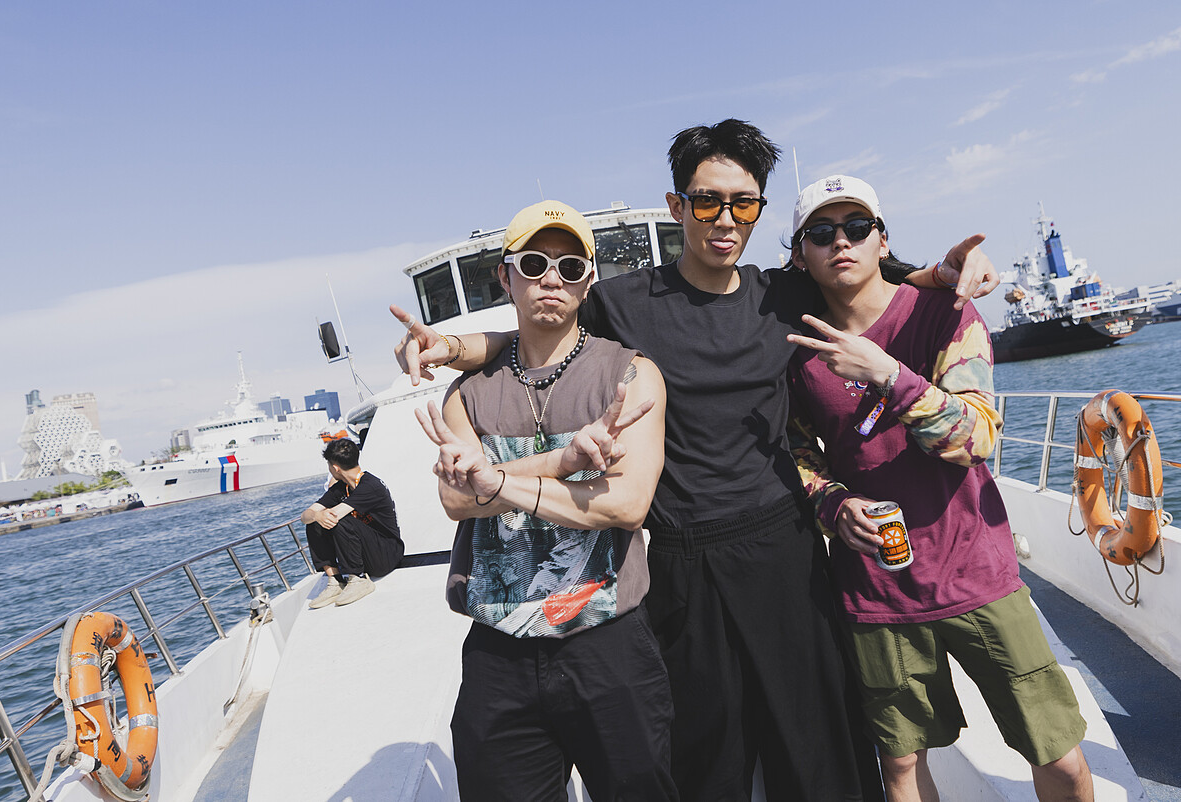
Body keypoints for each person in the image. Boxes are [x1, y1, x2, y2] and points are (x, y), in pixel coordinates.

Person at [392, 120, 1000, 801]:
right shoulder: (625, 302)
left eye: (745, 204)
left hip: (785, 552)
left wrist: (945, 274)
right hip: (683, 563)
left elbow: (867, 282)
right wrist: (451, 349)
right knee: (706, 767)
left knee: (819, 759)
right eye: (707, 202)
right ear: (677, 205)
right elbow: (542, 325)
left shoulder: (783, 295)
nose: (726, 220)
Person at [785, 174, 1093, 802]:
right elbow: (793, 452)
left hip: (976, 573)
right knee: (901, 767)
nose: (840, 241)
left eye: (857, 227)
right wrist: (832, 504)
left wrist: (889, 374)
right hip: (877, 592)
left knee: (1058, 756)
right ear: (800, 256)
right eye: (821, 232)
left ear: (882, 240)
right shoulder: (796, 349)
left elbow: (976, 437)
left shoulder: (944, 314)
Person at [414, 200, 675, 800]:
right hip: (498, 649)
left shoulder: (631, 376)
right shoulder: (468, 393)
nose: (551, 278)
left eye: (570, 266)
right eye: (533, 264)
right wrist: (562, 464)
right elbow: (455, 500)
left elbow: (625, 505)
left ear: (588, 280)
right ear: (505, 277)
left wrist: (494, 482)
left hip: (609, 641)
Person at [301, 438, 404, 608]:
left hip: (387, 554)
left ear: (335, 468)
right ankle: (335, 581)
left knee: (339, 520)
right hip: (366, 553)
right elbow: (305, 515)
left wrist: (320, 515)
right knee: (315, 522)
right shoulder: (342, 488)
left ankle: (359, 579)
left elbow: (335, 515)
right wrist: (316, 516)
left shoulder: (370, 486)